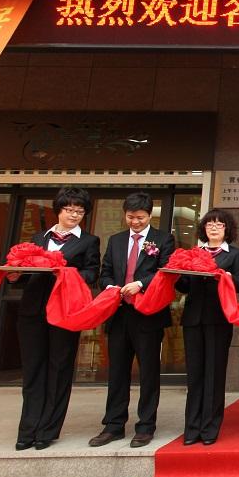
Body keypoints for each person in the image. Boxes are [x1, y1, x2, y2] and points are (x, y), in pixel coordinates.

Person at [11, 187, 100, 451]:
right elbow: (26, 273)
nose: (74, 215)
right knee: (33, 370)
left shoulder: (89, 241)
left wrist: (65, 273)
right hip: (33, 311)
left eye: (79, 211)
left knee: (59, 368)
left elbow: (91, 273)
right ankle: (27, 430)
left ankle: (47, 430)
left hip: (65, 311)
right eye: (69, 209)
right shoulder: (38, 238)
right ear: (58, 210)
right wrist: (15, 275)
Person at [90, 191, 176, 449]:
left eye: (140, 217)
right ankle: (113, 425)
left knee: (148, 372)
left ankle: (146, 426)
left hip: (148, 315)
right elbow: (105, 272)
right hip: (119, 313)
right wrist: (111, 287)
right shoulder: (116, 241)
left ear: (149, 215)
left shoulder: (163, 239)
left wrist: (140, 284)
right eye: (130, 217)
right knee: (117, 371)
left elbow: (165, 272)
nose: (135, 222)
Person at [177, 209, 239, 446]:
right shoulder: (194, 253)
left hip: (219, 319)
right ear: (203, 229)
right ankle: (191, 428)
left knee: (214, 374)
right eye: (209, 224)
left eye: (219, 224)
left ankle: (209, 428)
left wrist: (225, 276)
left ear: (227, 229)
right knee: (194, 374)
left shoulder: (235, 255)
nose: (214, 228)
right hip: (193, 319)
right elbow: (183, 286)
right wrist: (179, 271)